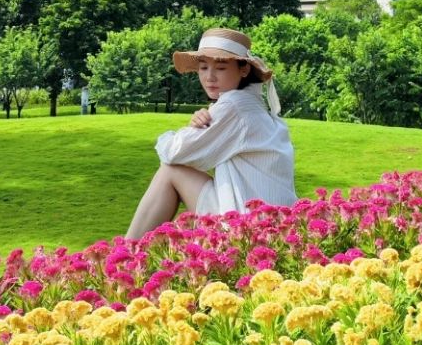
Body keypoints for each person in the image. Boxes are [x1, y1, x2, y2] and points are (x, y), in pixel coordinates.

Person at [125, 26, 296, 241]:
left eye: (221, 68)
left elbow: (173, 152)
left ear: (243, 69)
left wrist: (182, 132)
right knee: (173, 169)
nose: (210, 77)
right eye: (203, 67)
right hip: (271, 224)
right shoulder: (252, 104)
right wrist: (197, 127)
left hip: (246, 228)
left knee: (169, 170)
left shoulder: (234, 106)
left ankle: (125, 255)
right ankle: (129, 253)